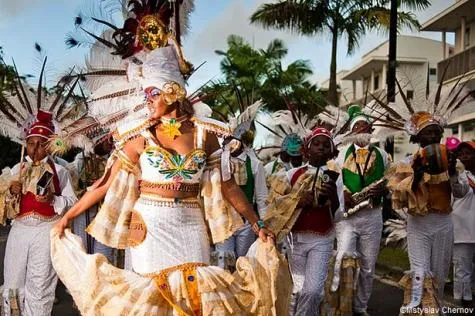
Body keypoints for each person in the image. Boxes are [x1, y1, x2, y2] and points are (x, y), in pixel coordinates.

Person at [51, 3, 291, 314]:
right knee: (153, 302)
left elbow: (229, 188)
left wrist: (257, 224)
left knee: (194, 301)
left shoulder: (206, 135)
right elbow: (105, 183)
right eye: (145, 95)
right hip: (150, 227)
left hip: (191, 226)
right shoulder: (139, 138)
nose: (147, 102)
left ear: (173, 92)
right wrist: (68, 217)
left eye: (152, 95)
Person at [0, 110, 77, 316]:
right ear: (26, 144)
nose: (35, 149)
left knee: (40, 283)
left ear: (50, 146)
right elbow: (5, 206)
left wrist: (53, 199)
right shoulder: (17, 168)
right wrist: (11, 191)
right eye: (31, 143)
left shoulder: (60, 172)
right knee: (13, 282)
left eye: (41, 143)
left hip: (45, 230)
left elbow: (73, 203)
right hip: (19, 230)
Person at [265, 127, 343, 316]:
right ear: (306, 150)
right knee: (298, 290)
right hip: (296, 241)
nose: (321, 148)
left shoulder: (336, 177)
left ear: (331, 151)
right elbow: (276, 206)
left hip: (322, 240)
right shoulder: (292, 175)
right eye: (316, 144)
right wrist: (297, 201)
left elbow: (340, 216)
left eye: (326, 145)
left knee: (313, 291)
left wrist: (333, 198)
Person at [387, 112, 457, 313]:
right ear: (418, 138)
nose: (433, 137)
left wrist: (452, 173)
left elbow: (460, 193)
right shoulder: (407, 162)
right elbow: (398, 196)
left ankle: (435, 310)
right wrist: (416, 177)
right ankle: (418, 310)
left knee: (439, 275)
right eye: (428, 133)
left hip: (443, 223)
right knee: (420, 273)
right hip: (418, 225)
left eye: (437, 133)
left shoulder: (449, 160)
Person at [331, 105, 390, 316]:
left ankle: (360, 306)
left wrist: (384, 189)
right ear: (352, 132)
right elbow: (334, 179)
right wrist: (344, 192)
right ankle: (342, 304)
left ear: (371, 130)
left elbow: (392, 180)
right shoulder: (340, 154)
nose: (362, 131)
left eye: (365, 127)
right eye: (358, 127)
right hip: (347, 218)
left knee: (368, 265)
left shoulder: (383, 155)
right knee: (344, 259)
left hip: (373, 216)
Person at [213, 131, 268, 270]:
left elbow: (261, 197)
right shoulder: (217, 163)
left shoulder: (255, 164)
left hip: (247, 222)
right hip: (223, 220)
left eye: (232, 138)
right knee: (224, 262)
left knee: (244, 263)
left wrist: (263, 223)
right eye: (226, 138)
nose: (228, 141)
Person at [450, 140, 475, 307]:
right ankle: (463, 302)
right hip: (462, 231)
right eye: (461, 153)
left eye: (468, 152)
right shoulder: (457, 175)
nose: (464, 156)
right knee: (462, 269)